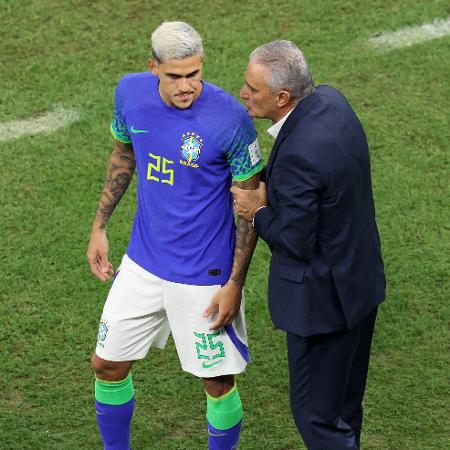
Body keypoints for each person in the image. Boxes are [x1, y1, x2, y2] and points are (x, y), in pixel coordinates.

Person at [86, 21, 262, 450]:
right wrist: (99, 227)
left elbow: (252, 205)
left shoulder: (231, 119)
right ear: (153, 68)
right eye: (175, 76)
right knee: (106, 365)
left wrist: (234, 284)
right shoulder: (129, 93)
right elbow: (123, 153)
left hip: (205, 275)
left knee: (217, 383)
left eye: (194, 74)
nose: (187, 87)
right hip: (143, 263)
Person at [231, 40, 386, 450]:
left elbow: (296, 243)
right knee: (344, 408)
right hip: (359, 286)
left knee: (317, 418)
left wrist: (257, 210)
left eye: (252, 88)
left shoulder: (300, 152)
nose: (243, 94)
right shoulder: (332, 102)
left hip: (324, 307)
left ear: (283, 97)